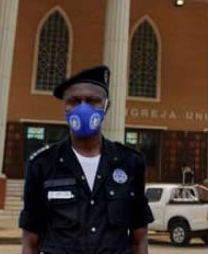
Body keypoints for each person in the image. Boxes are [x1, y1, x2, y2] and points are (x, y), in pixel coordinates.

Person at [19, 65, 154, 254]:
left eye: (92, 101)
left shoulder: (130, 163)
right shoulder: (42, 165)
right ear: (65, 106)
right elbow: (30, 242)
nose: (83, 108)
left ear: (106, 106)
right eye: (74, 101)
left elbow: (139, 239)